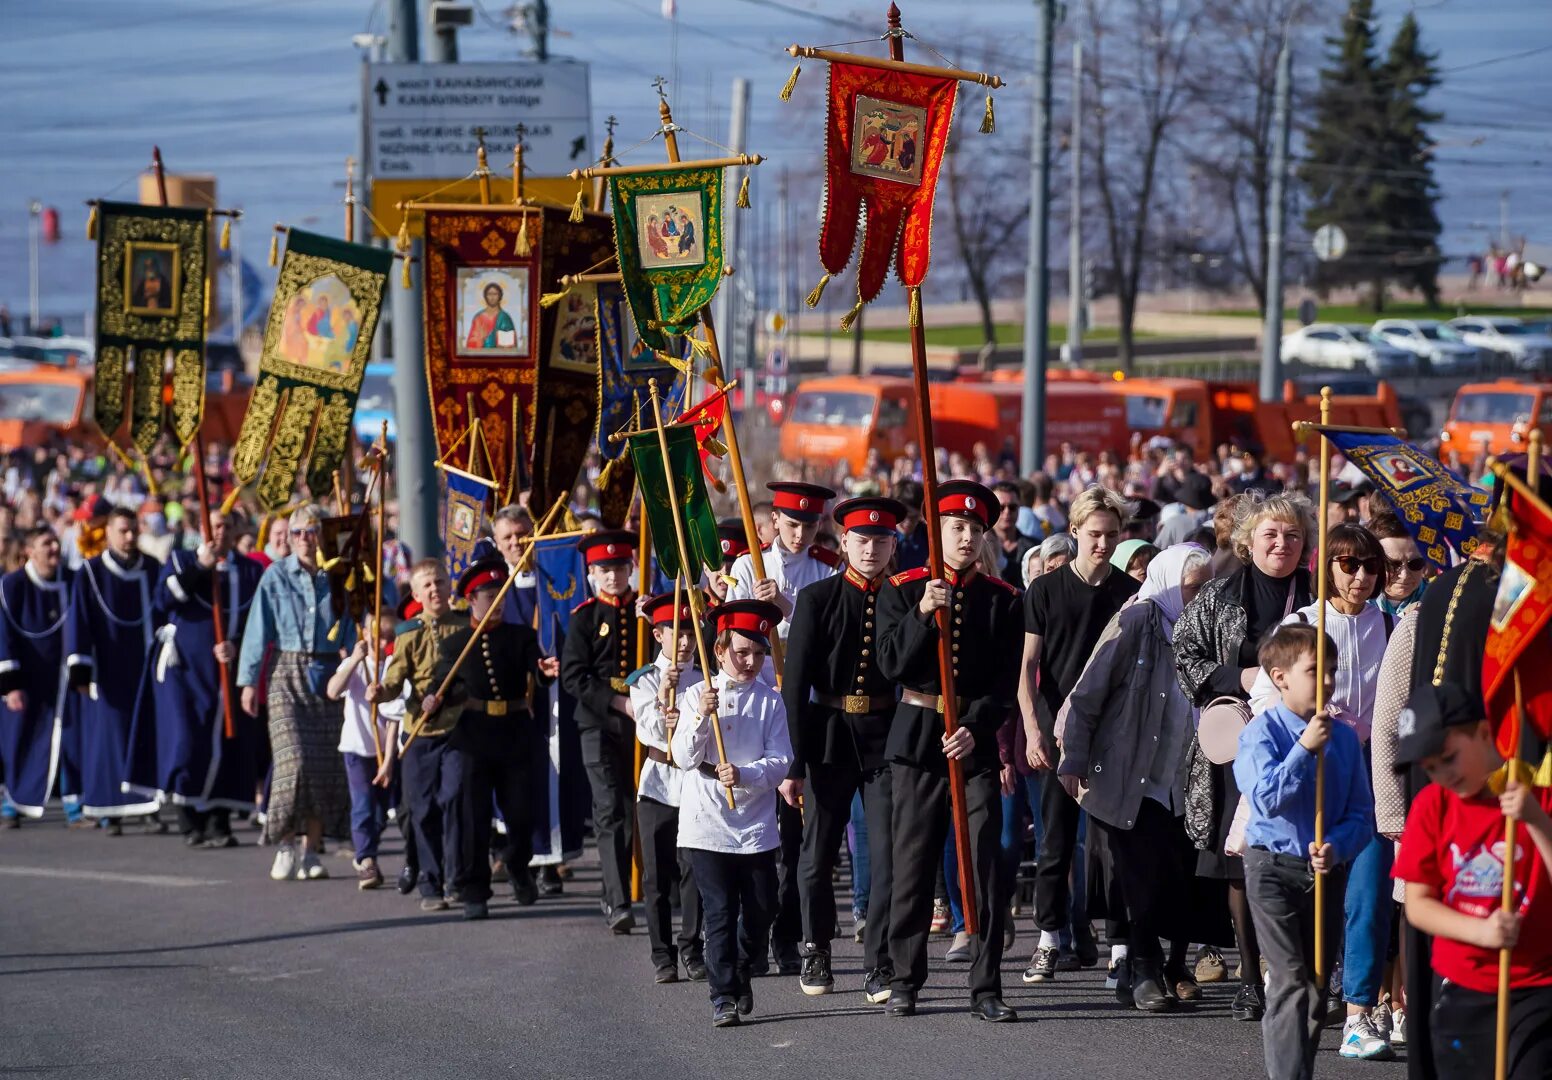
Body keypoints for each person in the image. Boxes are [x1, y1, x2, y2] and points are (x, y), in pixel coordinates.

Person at [1245, 523, 1395, 1059]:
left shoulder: (1392, 624)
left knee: (1370, 897)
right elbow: (1264, 700)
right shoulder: (1303, 625)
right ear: (1326, 567)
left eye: (1371, 565)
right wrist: (1306, 728)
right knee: (1302, 969)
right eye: (1348, 564)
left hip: (1367, 771)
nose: (1360, 576)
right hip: (1305, 779)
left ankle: (1359, 1012)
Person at [878, 480, 1023, 1022]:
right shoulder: (904, 587)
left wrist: (977, 725)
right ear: (937, 531)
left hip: (973, 746)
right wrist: (921, 613)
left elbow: (1005, 681)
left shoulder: (1002, 599)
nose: (966, 537)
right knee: (912, 865)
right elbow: (892, 665)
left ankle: (986, 985)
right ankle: (905, 978)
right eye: (956, 528)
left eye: (975, 529)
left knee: (984, 863)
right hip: (917, 740)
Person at [1056, 544, 1219, 1011]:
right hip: (1135, 775)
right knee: (1142, 879)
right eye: (1192, 588)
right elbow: (1088, 692)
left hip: (1190, 776)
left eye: (1207, 586)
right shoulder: (1135, 621)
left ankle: (1174, 966)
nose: (1200, 596)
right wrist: (1073, 758)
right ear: (1169, 583)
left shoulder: (1210, 628)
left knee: (1183, 877)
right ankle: (1143, 967)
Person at [1174, 490, 1315, 1021]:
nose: (1282, 544)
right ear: (1248, 540)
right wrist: (1239, 677)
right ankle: (1252, 978)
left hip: (1304, 740)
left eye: (1293, 535)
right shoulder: (1219, 594)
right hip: (1236, 744)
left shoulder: (1317, 594)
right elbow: (1184, 652)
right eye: (1271, 535)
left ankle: (1299, 973)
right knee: (1239, 861)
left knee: (1303, 854)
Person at [1391, 681, 1552, 1080]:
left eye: (1448, 758)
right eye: (1430, 768)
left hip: (1537, 987)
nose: (1442, 774)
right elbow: (1418, 904)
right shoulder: (1432, 805)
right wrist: (1482, 932)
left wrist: (1536, 821)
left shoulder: (1538, 797)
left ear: (1483, 732)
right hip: (1464, 985)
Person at [1235, 622, 1374, 1080]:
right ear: (1281, 678)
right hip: (1272, 868)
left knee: (1316, 991)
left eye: (1333, 670)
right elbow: (1265, 799)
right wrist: (1302, 749)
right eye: (1316, 670)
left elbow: (1361, 814)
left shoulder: (1347, 740)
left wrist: (1336, 847)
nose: (1328, 680)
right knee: (1291, 979)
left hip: (1324, 872)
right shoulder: (1260, 734)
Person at [782, 496, 906, 1002]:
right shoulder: (817, 598)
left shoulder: (904, 598)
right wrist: (794, 760)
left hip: (884, 734)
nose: (871, 549)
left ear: (893, 544)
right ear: (845, 543)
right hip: (829, 734)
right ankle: (816, 946)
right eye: (862, 540)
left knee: (883, 855)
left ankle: (878, 961)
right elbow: (795, 687)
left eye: (881, 540)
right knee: (817, 853)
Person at [1020, 486, 1138, 982]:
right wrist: (1031, 729)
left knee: (1112, 846)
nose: (1103, 545)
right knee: (1055, 842)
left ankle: (1120, 947)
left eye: (1112, 535)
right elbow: (1028, 667)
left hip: (1110, 734)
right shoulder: (1045, 590)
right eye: (1094, 535)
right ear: (1074, 532)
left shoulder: (1127, 593)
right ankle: (1049, 938)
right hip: (1055, 729)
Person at [728, 481, 840, 974]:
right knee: (752, 826)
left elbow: (835, 639)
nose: (798, 533)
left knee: (795, 834)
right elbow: (731, 634)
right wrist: (757, 615)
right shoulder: (749, 565)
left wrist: (791, 613)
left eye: (809, 524)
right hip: (757, 708)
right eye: (791, 523)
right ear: (774, 522)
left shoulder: (826, 568)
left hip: (806, 708)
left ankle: (789, 937)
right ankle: (747, 934)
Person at [670, 599, 792, 1028]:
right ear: (720, 650)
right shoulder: (694, 694)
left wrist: (744, 773)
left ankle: (742, 963)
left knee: (762, 908)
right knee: (718, 911)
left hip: (755, 822)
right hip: (707, 823)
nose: (751, 661)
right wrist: (702, 717)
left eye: (758, 653)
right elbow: (683, 757)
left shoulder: (770, 701)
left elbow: (781, 761)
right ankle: (722, 995)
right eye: (741, 652)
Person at [422, 556, 558, 920]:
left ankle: (516, 864)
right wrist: (432, 700)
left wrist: (544, 671)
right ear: (471, 599)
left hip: (515, 734)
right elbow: (440, 689)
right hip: (473, 737)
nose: (495, 600)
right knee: (473, 817)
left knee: (522, 813)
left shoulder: (521, 636)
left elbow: (538, 668)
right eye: (487, 595)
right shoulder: (456, 645)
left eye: (500, 593)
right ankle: (474, 889)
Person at [127, 508, 264, 847]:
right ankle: (190, 817)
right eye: (214, 525)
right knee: (188, 741)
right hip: (185, 671)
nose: (220, 532)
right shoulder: (181, 559)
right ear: (203, 528)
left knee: (228, 742)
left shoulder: (248, 570)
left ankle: (219, 821)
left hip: (228, 671)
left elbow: (257, 619)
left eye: (226, 526)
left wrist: (236, 645)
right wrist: (201, 567)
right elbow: (163, 601)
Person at [236, 503, 351, 881]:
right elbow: (257, 630)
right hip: (286, 672)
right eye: (298, 532)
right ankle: (285, 842)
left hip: (327, 673)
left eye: (312, 531)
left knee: (322, 767)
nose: (304, 539)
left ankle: (311, 851)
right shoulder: (275, 576)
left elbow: (352, 626)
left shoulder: (338, 575)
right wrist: (249, 681)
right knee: (294, 762)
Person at [561, 529, 641, 933]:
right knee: (608, 807)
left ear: (631, 568)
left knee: (632, 808)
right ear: (592, 573)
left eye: (620, 568)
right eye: (605, 570)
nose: (614, 576)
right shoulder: (585, 617)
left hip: (641, 721)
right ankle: (617, 900)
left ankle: (635, 885)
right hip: (597, 721)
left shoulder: (643, 614)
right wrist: (616, 701)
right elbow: (572, 675)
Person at [373, 559, 465, 908]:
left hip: (457, 728)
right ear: (415, 593)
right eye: (427, 585)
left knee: (454, 798)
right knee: (422, 809)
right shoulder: (408, 633)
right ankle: (430, 882)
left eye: (440, 582)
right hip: (419, 732)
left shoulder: (466, 627)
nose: (434, 589)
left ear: (449, 586)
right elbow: (394, 683)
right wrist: (379, 692)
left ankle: (456, 875)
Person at [65, 504, 163, 830]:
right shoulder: (90, 572)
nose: (130, 536)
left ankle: (148, 804)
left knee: (146, 733)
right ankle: (111, 809)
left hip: (145, 665)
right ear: (107, 533)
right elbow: (78, 622)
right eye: (122, 530)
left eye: (134, 530)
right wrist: (81, 669)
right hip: (107, 667)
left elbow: (165, 612)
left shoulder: (152, 568)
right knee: (109, 739)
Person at [628, 590, 706, 984]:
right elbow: (650, 734)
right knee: (656, 875)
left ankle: (693, 946)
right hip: (659, 782)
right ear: (658, 634)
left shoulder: (707, 675)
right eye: (676, 632)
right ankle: (662, 954)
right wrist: (662, 697)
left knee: (694, 870)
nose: (686, 641)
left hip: (694, 781)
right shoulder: (643, 680)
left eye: (691, 631)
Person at [0, 525, 83, 825]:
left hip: (63, 678)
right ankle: (13, 804)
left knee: (71, 739)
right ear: (29, 551)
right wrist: (10, 685)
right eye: (46, 544)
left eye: (56, 543)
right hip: (25, 677)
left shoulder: (73, 581)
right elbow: (3, 635)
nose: (53, 549)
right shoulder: (11, 585)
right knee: (19, 738)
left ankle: (75, 805)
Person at [328, 613, 402, 889]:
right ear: (367, 636)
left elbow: (396, 717)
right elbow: (333, 691)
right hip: (357, 747)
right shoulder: (356, 664)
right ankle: (367, 860)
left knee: (381, 811)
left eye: (388, 638)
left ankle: (367, 849)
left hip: (384, 750)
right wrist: (356, 660)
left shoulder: (395, 666)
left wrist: (389, 759)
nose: (382, 643)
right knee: (363, 806)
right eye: (377, 636)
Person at [1369, 510, 1428, 616]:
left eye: (1415, 563)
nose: (1404, 575)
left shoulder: (1442, 601)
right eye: (1393, 564)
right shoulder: (1356, 605)